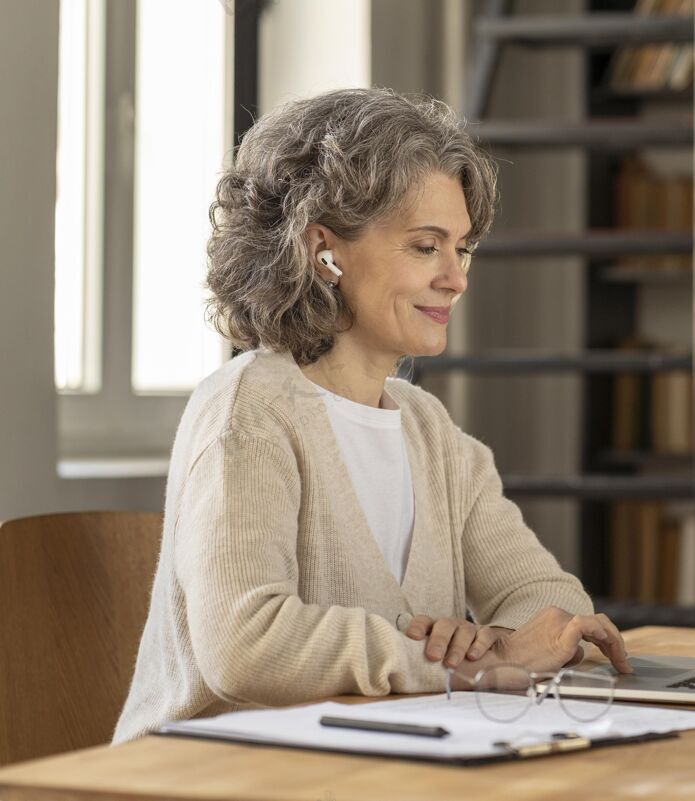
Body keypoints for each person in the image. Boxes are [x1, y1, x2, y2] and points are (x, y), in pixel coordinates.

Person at [112, 88, 632, 745]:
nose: (456, 278)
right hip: (208, 777)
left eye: (461, 248)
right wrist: (480, 662)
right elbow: (245, 644)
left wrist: (500, 642)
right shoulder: (248, 412)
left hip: (368, 768)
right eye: (425, 246)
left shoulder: (429, 430)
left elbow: (551, 603)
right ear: (324, 251)